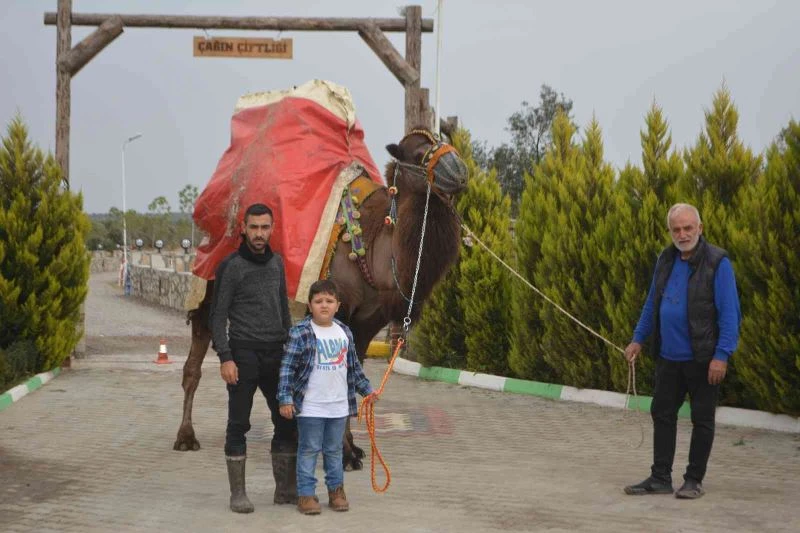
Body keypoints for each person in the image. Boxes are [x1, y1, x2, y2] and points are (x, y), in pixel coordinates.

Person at [623, 203, 741, 499]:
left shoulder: (717, 263)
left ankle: (693, 480)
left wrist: (722, 355)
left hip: (703, 359)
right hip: (668, 358)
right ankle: (660, 477)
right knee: (662, 413)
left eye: (688, 228)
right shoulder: (665, 258)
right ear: (670, 231)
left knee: (702, 419)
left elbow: (730, 314)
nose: (682, 234)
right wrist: (638, 339)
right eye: (676, 229)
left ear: (700, 228)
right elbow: (652, 303)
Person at [210, 203, 297, 513]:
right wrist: (225, 357)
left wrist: (292, 349)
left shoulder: (276, 263)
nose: (260, 233)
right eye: (254, 227)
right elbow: (218, 316)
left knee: (288, 421)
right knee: (238, 425)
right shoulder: (230, 267)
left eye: (265, 227)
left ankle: (285, 490)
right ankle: (238, 495)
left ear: (272, 229)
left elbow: (283, 310)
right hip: (243, 355)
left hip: (277, 354)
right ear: (243, 228)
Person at [278, 279, 375, 515]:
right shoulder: (300, 332)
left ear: (337, 305)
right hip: (311, 406)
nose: (324, 305)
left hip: (338, 406)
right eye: (318, 301)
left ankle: (336, 491)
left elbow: (353, 367)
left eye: (329, 301)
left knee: (334, 450)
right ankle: (307, 495)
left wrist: (368, 390)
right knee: (309, 449)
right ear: (310, 305)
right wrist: (285, 398)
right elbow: (287, 369)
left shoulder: (344, 332)